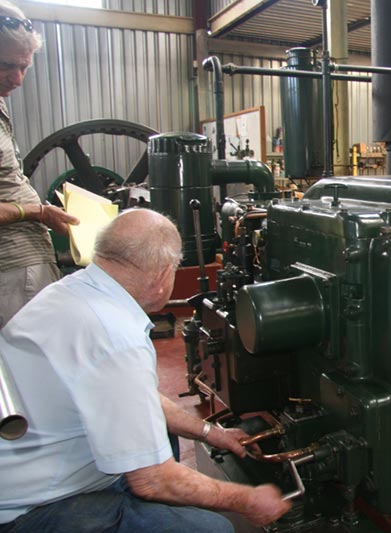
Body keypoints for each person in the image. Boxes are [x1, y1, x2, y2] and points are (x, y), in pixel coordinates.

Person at [0, 209, 291, 532]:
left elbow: (138, 397)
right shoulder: (116, 336)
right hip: (30, 509)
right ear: (164, 274)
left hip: (23, 471)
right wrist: (248, 500)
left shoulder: (71, 291)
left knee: (162, 434)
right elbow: (153, 481)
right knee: (213, 529)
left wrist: (213, 433)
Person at [0, 0, 79, 328]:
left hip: (24, 268)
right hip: (12, 272)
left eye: (25, 67)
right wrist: (39, 213)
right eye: (7, 65)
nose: (18, 79)